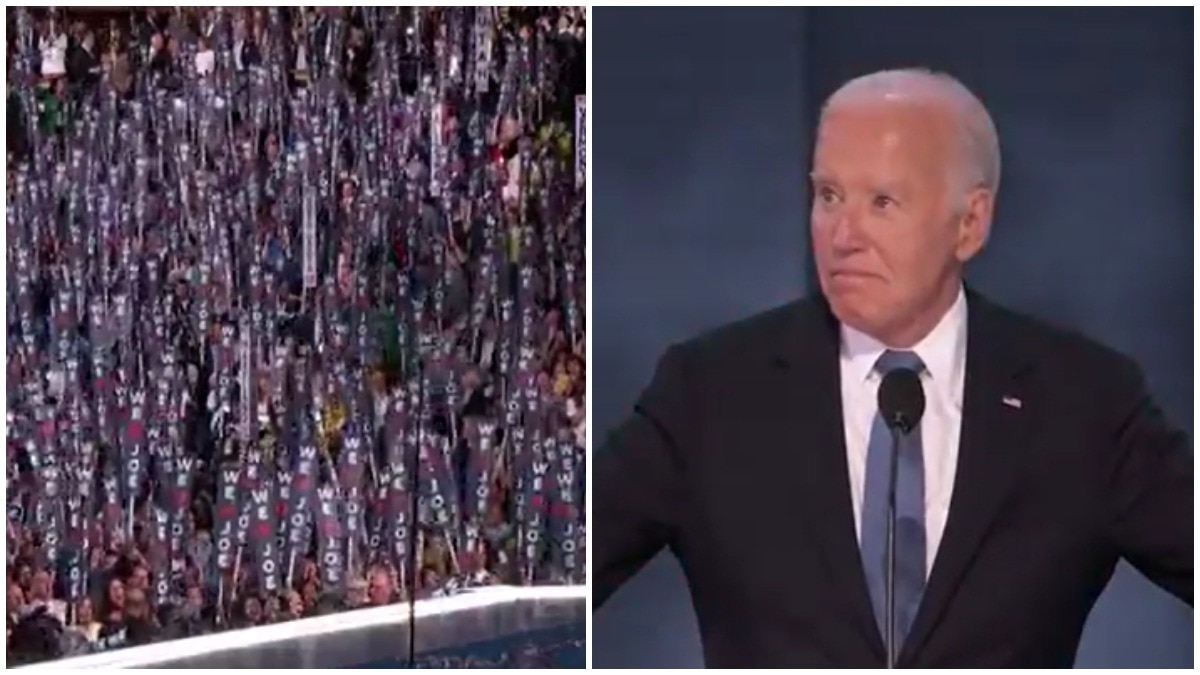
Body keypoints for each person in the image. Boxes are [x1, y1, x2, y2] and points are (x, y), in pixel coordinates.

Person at [592, 68, 1193, 668]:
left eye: (882, 202)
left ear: (970, 224)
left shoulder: (1084, 403)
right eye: (828, 196)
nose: (843, 235)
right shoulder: (709, 395)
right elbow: (545, 581)